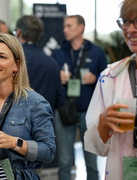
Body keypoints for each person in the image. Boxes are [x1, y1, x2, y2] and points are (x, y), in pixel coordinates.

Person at [0, 33, 56, 179]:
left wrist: (15, 143)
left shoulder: (35, 103)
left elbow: (48, 151)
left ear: (16, 65)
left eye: (2, 57)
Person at [84, 0, 137, 179]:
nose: (130, 29)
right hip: (122, 170)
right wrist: (103, 122)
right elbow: (97, 146)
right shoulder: (111, 76)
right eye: (125, 21)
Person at [52, 14, 108, 180]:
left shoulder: (96, 51)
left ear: (81, 28)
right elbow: (49, 82)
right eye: (64, 26)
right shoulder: (58, 52)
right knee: (64, 161)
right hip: (64, 111)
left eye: (69, 26)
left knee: (91, 161)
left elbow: (107, 80)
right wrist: (58, 77)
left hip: (89, 112)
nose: (65, 30)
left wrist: (95, 78)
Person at [15, 14, 65, 111]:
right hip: (44, 121)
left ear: (19, 33)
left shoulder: (13, 59)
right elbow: (60, 99)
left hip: (16, 122)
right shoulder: (53, 63)